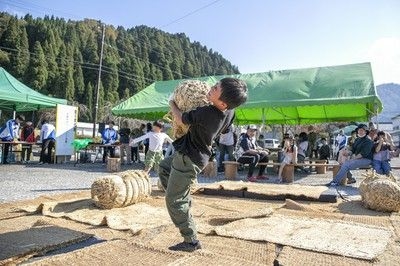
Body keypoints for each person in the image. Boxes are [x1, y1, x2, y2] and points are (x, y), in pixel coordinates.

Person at [158, 78, 247, 252]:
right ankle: (183, 198)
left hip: (188, 158)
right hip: (195, 155)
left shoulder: (207, 112)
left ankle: (191, 240)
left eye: (215, 88)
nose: (210, 88)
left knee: (172, 200)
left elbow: (180, 118)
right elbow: (225, 128)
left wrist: (172, 102)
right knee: (164, 167)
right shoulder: (230, 111)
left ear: (222, 103)